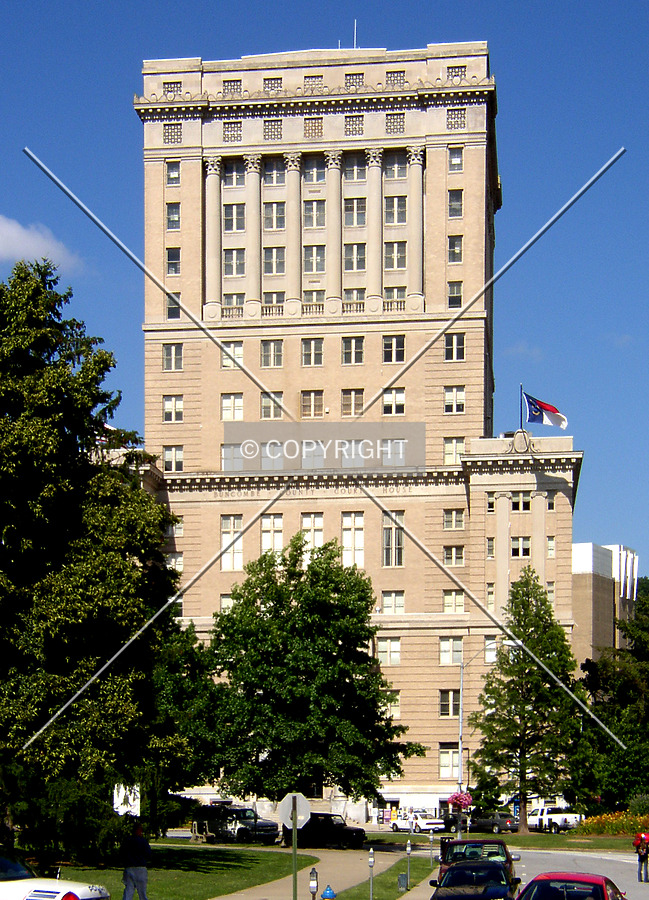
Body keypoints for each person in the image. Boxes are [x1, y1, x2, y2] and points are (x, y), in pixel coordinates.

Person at [122, 822, 151, 900]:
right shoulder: (143, 841)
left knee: (128, 892)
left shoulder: (127, 840)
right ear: (140, 830)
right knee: (142, 893)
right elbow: (148, 853)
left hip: (129, 868)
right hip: (140, 868)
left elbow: (122, 853)